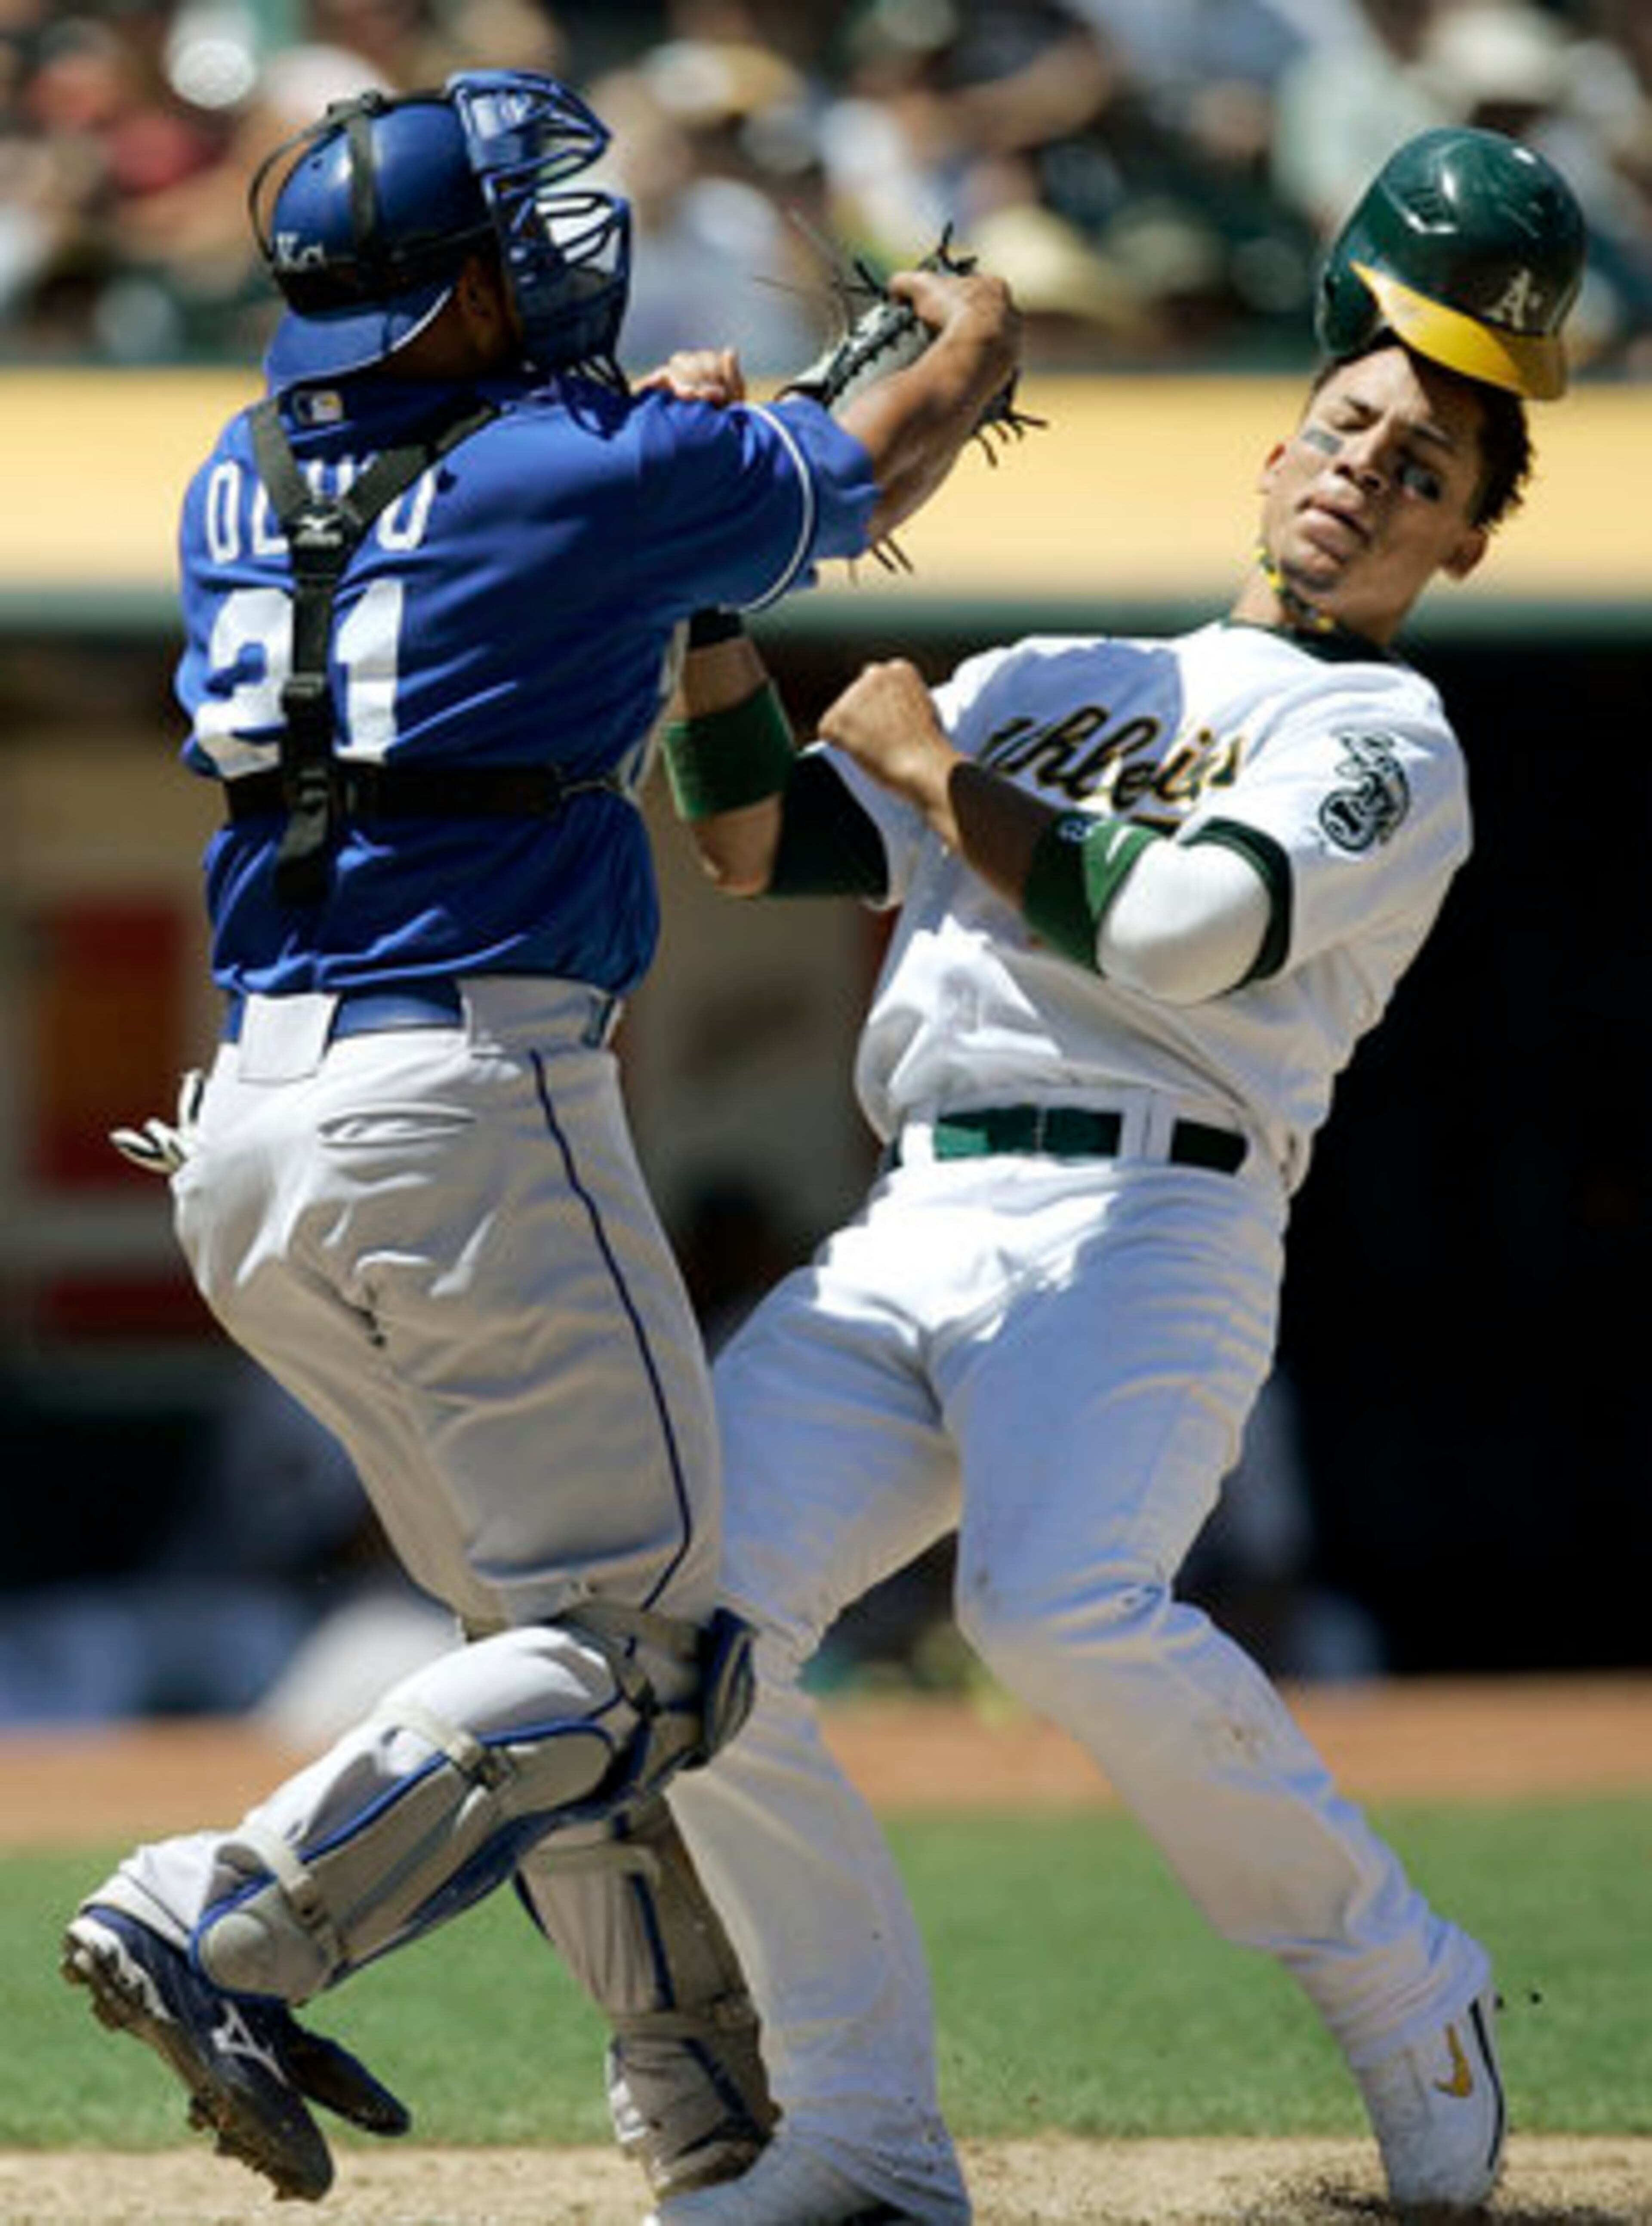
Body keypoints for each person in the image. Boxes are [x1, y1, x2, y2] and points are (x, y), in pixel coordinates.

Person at [56, 65, 1019, 2213]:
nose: (558, 262)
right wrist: (971, 317)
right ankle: (223, 1904)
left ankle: (709, 2118)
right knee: (649, 1653)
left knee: (552, 1664)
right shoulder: (581, 464)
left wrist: (662, 453)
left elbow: (558, 523)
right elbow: (881, 448)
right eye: (518, 243)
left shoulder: (243, 460)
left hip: (250, 1137)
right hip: (463, 1102)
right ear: (455, 298)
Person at [642, 126, 1586, 2222]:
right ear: (1274, 450)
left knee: (1055, 1607)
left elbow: (1178, 936)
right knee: (680, 1624)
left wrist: (930, 770)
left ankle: (1400, 1976)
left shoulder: (1389, 746)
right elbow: (747, 843)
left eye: (1424, 473)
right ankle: (866, 2132)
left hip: (1158, 1215)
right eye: (1349, 430)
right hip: (923, 1213)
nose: (1367, 473)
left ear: (1458, 547)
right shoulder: (1055, 675)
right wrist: (706, 593)